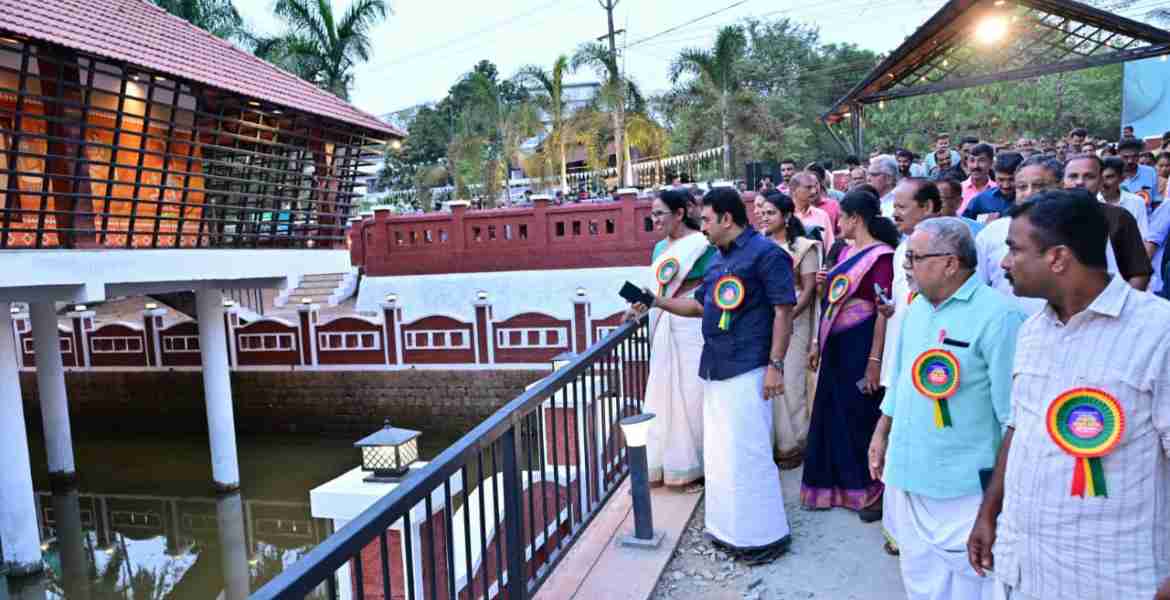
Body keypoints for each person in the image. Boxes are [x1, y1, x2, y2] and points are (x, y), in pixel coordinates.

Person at [967, 191, 1170, 600]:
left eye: (1014, 249)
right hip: (1026, 563)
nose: (1004, 263)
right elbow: (1019, 426)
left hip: (1116, 576)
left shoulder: (1158, 332)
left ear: (1057, 258)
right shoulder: (1032, 331)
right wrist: (989, 512)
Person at [871, 217, 1025, 600]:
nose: (907, 266)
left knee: (973, 581)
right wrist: (881, 430)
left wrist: (995, 501)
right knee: (919, 576)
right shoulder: (918, 307)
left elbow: (1014, 419)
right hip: (909, 470)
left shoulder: (1000, 317)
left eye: (915, 257)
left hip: (964, 485)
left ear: (950, 263)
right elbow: (902, 378)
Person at [651, 187, 794, 565]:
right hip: (715, 366)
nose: (704, 227)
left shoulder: (767, 255)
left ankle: (762, 536)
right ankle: (727, 530)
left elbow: (783, 312)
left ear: (727, 219)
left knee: (749, 451)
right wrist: (655, 300)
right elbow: (698, 306)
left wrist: (775, 366)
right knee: (720, 452)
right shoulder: (716, 260)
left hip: (749, 367)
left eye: (709, 220)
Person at [802, 189, 900, 517]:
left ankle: (868, 490)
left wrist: (874, 362)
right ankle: (835, 488)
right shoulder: (845, 253)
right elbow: (832, 301)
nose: (837, 223)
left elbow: (881, 310)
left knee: (858, 417)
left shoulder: (882, 257)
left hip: (861, 348)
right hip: (836, 345)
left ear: (856, 219)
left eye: (841, 217)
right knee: (834, 415)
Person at [629, 189, 716, 488]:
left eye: (659, 214)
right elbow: (656, 288)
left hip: (691, 324)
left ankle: (700, 463)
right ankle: (668, 461)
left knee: (693, 393)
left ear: (679, 214)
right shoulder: (658, 250)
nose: (654, 220)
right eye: (651, 214)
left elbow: (707, 285)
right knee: (664, 390)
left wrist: (664, 299)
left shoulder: (703, 245)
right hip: (663, 324)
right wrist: (637, 305)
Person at [759, 193, 821, 469]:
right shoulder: (758, 245)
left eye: (770, 212)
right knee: (770, 380)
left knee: (793, 382)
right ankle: (775, 443)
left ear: (785, 216)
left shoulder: (804, 247)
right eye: (762, 212)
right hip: (766, 319)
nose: (764, 216)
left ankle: (796, 444)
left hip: (795, 320)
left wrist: (786, 317)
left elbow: (807, 291)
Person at [1063, 154, 1153, 290]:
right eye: (1073, 176)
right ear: (1063, 181)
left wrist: (1120, 307)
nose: (1080, 182)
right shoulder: (1048, 218)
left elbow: (1140, 274)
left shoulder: (1119, 217)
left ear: (1100, 182)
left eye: (1089, 176)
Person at [962, 151, 1022, 222]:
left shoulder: (1032, 200)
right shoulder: (981, 200)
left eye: (1011, 180)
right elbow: (966, 225)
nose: (1006, 185)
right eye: (1001, 180)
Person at [1100, 156, 1150, 236]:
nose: (1103, 183)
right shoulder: (1091, 202)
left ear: (1122, 178)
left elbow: (1143, 235)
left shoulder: (1136, 202)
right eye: (1100, 177)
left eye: (1109, 177)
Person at [790, 172, 836, 251]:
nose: (814, 191)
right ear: (794, 190)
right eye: (808, 187)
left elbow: (829, 247)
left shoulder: (822, 215)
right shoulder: (785, 216)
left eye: (815, 187)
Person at [1118, 137, 1161, 207]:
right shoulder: (1112, 175)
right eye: (1126, 157)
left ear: (1139, 154)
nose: (1130, 161)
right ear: (1118, 154)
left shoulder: (1150, 172)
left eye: (1134, 156)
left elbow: (1156, 201)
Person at [959, 144, 996, 215]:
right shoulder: (959, 190)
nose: (976, 166)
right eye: (972, 160)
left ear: (991, 163)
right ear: (967, 163)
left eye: (981, 160)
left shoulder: (998, 190)